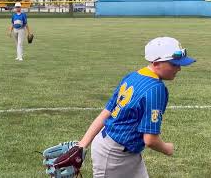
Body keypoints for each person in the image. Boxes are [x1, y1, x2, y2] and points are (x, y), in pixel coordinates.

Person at [78, 37, 196, 178]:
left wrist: (82, 144)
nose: (179, 68)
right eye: (174, 64)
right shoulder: (156, 89)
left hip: (121, 149)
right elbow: (150, 140)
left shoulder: (133, 76)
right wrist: (167, 149)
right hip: (114, 155)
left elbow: (106, 112)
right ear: (156, 63)